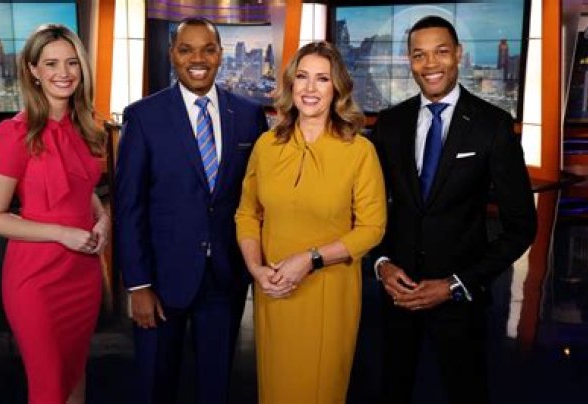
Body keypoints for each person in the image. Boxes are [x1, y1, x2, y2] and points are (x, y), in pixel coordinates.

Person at [370, 15, 538, 404]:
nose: (430, 64)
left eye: (441, 52)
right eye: (419, 55)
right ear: (409, 61)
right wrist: (381, 264)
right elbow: (369, 210)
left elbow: (521, 226)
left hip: (461, 301)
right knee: (392, 391)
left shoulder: (493, 126)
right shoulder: (390, 124)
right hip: (397, 295)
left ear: (458, 54)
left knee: (467, 393)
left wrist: (454, 284)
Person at [114, 17, 268, 404]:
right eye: (186, 50)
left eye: (208, 49)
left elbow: (258, 199)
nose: (197, 59)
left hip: (225, 280)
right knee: (155, 385)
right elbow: (129, 207)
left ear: (220, 55)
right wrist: (138, 285)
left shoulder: (249, 115)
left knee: (215, 387)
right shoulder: (143, 117)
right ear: (172, 55)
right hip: (161, 281)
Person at [235, 41, 387, 403]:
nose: (310, 88)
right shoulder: (266, 145)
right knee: (276, 388)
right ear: (291, 84)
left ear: (337, 88)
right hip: (274, 289)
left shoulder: (359, 151)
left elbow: (372, 228)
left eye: (322, 79)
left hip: (328, 293)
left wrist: (311, 259)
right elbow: (247, 213)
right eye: (302, 77)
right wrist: (256, 269)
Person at [0, 24, 108, 404]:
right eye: (51, 63)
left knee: (74, 377)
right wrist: (62, 233)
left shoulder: (86, 126)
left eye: (72, 63)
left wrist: (103, 219)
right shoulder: (15, 133)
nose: (63, 73)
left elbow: (81, 190)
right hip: (36, 279)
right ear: (33, 70)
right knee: (49, 387)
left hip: (82, 274)